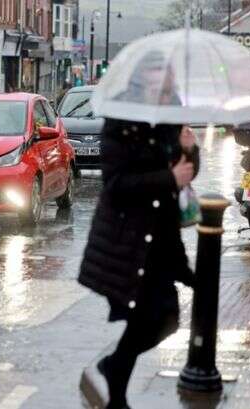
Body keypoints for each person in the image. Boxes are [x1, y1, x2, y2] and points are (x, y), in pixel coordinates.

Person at [78, 51, 199, 409]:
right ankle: (116, 391)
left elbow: (186, 174)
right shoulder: (121, 121)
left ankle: (113, 371)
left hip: (161, 239)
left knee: (166, 319)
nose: (165, 84)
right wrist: (168, 177)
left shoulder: (171, 118)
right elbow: (116, 185)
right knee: (151, 317)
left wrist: (190, 152)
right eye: (158, 77)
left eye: (168, 77)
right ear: (141, 81)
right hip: (126, 241)